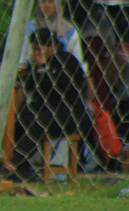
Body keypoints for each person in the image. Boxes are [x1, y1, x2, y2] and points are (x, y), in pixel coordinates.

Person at [9, 28, 91, 181]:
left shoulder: (66, 61)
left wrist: (43, 68)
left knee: (39, 122)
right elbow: (31, 89)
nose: (36, 53)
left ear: (51, 47)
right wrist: (28, 73)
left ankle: (14, 164)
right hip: (44, 111)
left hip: (68, 113)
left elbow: (59, 88)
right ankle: (20, 168)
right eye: (34, 49)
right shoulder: (34, 66)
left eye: (38, 49)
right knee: (19, 120)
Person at [19, 0, 85, 69]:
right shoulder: (30, 27)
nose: (46, 5)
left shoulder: (68, 30)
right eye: (43, 1)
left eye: (50, 1)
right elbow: (22, 55)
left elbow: (77, 57)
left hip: (61, 70)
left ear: (57, 4)